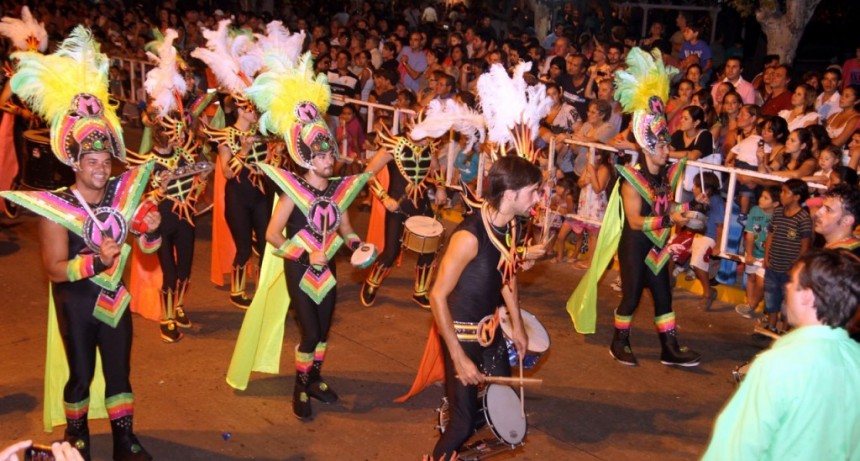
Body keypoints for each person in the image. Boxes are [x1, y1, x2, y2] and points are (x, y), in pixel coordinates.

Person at [0, 27, 160, 461]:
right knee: (81, 374)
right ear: (74, 161)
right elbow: (54, 268)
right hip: (76, 302)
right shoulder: (58, 207)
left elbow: (145, 249)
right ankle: (77, 436)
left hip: (116, 300)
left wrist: (150, 229)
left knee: (120, 371)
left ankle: (125, 438)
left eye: (106, 161)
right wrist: (94, 261)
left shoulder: (121, 197)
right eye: (92, 161)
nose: (100, 169)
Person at [430, 155, 544, 459]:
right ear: (510, 195)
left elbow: (507, 278)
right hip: (461, 338)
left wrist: (518, 328)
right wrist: (458, 359)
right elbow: (437, 295)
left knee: (502, 404)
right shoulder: (468, 237)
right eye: (533, 191)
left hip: (490, 333)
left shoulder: (512, 226)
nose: (538, 198)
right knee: (463, 423)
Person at [702, 249, 860, 461]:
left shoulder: (777, 365)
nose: (786, 287)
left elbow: (737, 448)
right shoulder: (855, 359)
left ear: (807, 296)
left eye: (792, 283)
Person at [604, 47, 700, 367]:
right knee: (631, 297)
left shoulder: (667, 176)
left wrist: (682, 213)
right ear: (648, 145)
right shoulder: (631, 179)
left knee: (664, 296)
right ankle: (620, 341)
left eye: (667, 143)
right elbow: (633, 221)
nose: (666, 149)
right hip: (634, 245)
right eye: (661, 144)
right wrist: (670, 216)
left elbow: (666, 205)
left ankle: (669, 348)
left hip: (657, 246)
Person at [760, 179, 813, 335]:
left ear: (796, 197)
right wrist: (766, 256)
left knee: (787, 301)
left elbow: (805, 246)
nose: (781, 195)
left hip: (789, 268)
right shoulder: (777, 213)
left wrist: (795, 267)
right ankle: (771, 326)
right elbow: (770, 235)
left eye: (785, 192)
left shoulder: (803, 218)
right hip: (773, 264)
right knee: (770, 296)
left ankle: (784, 330)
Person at [736, 185, 779, 319]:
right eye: (761, 196)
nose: (761, 199)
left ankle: (751, 306)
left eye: (766, 198)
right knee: (751, 278)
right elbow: (749, 234)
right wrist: (749, 253)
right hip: (753, 251)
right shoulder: (755, 210)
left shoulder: (778, 215)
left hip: (768, 255)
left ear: (776, 204)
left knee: (762, 283)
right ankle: (749, 304)